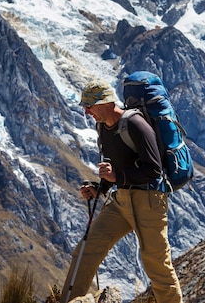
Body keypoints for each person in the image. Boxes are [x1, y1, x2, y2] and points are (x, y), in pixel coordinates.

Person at [60, 79, 183, 303]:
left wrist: (117, 177)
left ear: (105, 102)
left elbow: (154, 170)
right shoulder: (103, 127)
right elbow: (114, 165)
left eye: (89, 105)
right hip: (122, 200)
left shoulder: (136, 124)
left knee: (157, 266)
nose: (87, 112)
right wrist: (99, 188)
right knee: (86, 251)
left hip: (149, 200)